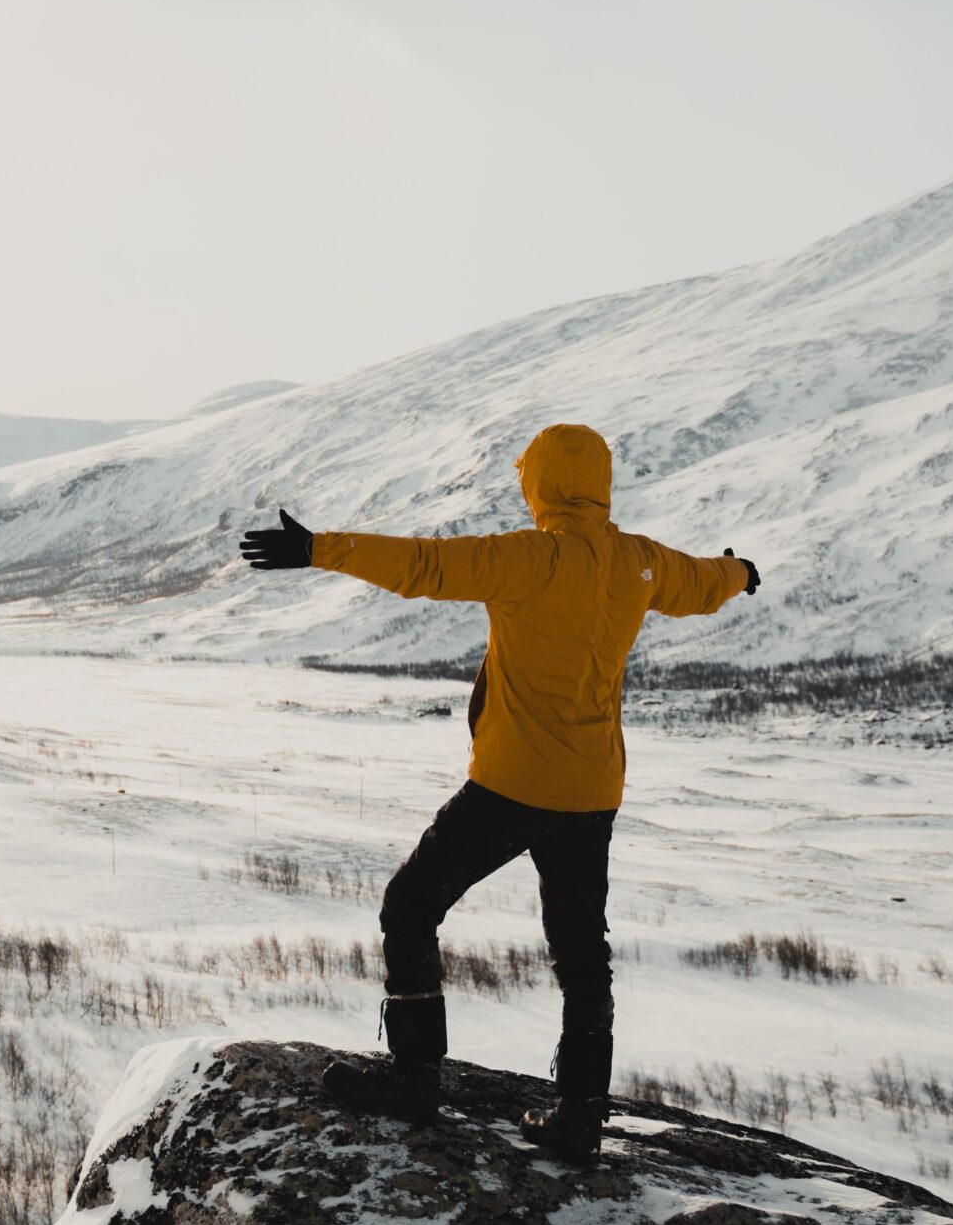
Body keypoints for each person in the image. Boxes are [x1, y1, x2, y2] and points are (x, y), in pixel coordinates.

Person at [239, 423, 758, 1166]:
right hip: (592, 788)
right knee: (582, 954)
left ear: (538, 483)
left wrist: (319, 548)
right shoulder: (638, 561)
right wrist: (741, 571)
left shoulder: (528, 558)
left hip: (512, 784)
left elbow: (421, 565)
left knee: (411, 906)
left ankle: (417, 1077)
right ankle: (579, 1117)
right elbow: (706, 582)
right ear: (601, 483)